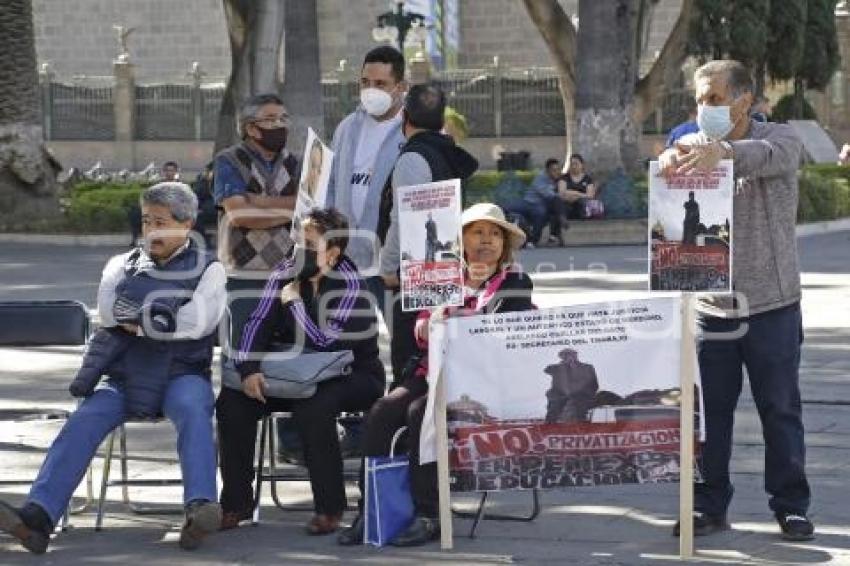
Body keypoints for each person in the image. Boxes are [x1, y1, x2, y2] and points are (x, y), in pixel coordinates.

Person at [0, 183, 226, 554]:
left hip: (182, 373)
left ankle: (199, 508)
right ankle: (38, 517)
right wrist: (155, 322)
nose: (151, 229)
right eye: (147, 220)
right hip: (124, 373)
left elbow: (196, 323)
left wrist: (137, 322)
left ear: (186, 226)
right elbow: (108, 312)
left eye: (161, 222)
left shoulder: (211, 269)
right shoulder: (121, 264)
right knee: (84, 419)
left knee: (193, 409)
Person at [658, 59, 814, 542]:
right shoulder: (689, 144)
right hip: (711, 311)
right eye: (700, 100)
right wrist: (666, 165)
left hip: (772, 306)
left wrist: (721, 153)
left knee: (780, 410)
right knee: (709, 416)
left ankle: (791, 506)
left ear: (745, 100)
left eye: (715, 99)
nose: (704, 108)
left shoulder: (781, 138)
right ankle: (707, 505)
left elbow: (765, 157)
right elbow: (667, 182)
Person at [339, 202, 534, 547]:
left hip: (481, 379)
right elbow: (421, 330)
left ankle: (428, 513)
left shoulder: (515, 281)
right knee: (383, 410)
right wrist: (433, 323)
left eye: (494, 235)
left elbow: (496, 333)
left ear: (504, 245)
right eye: (478, 233)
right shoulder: (442, 277)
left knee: (422, 414)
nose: (487, 241)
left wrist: (455, 324)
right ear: (460, 240)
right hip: (434, 370)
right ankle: (370, 509)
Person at [216, 208, 385, 535]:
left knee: (314, 406)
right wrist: (249, 368)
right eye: (297, 241)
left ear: (332, 253)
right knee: (233, 402)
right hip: (293, 371)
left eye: (309, 243)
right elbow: (257, 321)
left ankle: (330, 509)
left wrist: (293, 303)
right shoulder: (284, 271)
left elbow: (326, 342)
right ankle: (236, 503)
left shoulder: (351, 286)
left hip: (350, 372)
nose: (297, 250)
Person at [376, 83, 478, 386]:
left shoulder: (413, 158)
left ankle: (411, 431)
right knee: (436, 363)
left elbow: (404, 218)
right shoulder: (447, 154)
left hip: (416, 278)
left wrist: (387, 268)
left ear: (404, 117)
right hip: (446, 270)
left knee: (411, 367)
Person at [213, 93, 299, 364]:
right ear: (250, 128)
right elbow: (240, 215)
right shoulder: (229, 161)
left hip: (290, 275)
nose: (280, 125)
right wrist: (290, 209)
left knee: (287, 356)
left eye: (284, 118)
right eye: (271, 120)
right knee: (242, 356)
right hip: (244, 276)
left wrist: (259, 201)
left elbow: (309, 207)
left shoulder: (297, 163)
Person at [326, 46, 408, 318]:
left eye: (381, 84)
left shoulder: (414, 130)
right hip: (347, 257)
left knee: (404, 340)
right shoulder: (347, 127)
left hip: (392, 261)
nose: (370, 90)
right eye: (365, 82)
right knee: (347, 341)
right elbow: (331, 183)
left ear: (401, 86)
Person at [505, 157, 564, 247]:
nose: (556, 172)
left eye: (558, 170)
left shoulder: (559, 180)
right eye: (554, 170)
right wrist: (560, 192)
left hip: (541, 206)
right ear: (548, 170)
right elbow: (547, 194)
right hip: (530, 202)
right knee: (506, 207)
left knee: (540, 213)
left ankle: (533, 241)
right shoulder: (541, 178)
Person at [543, 348, 599, 423]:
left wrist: (586, 393)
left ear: (576, 356)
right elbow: (547, 369)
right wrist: (563, 364)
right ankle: (549, 426)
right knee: (554, 408)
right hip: (559, 396)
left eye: (571, 355)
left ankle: (582, 426)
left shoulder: (587, 367)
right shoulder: (556, 368)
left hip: (582, 396)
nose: (569, 357)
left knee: (581, 408)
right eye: (565, 355)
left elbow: (594, 384)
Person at [557, 153, 597, 219]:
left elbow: (590, 195)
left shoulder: (588, 179)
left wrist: (576, 195)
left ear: (582, 165)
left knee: (582, 203)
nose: (573, 166)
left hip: (582, 204)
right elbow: (562, 193)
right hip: (567, 203)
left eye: (576, 164)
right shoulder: (564, 178)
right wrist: (570, 197)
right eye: (572, 164)